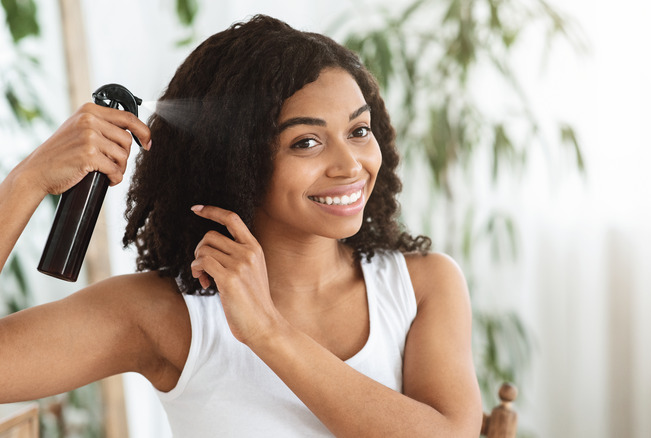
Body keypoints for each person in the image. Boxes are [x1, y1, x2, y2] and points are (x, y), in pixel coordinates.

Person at [0, 14, 482, 437]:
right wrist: (27, 180)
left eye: (359, 131)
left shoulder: (421, 284)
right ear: (237, 161)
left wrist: (269, 332)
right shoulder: (165, 315)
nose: (350, 165)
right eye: (306, 143)